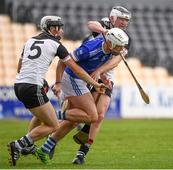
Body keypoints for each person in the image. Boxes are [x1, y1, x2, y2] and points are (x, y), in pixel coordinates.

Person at [7, 15, 105, 166]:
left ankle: (29, 145)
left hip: (19, 86)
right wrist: (94, 83)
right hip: (33, 87)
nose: (61, 31)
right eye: (57, 27)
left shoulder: (29, 41)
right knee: (53, 125)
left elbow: (20, 68)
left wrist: (42, 79)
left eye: (60, 27)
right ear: (50, 29)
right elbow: (76, 69)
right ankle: (19, 144)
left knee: (42, 118)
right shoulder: (56, 45)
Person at [35, 27, 129, 164]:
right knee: (92, 116)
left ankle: (44, 149)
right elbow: (63, 61)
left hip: (82, 81)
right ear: (111, 43)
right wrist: (58, 82)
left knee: (74, 120)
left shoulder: (112, 49)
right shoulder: (89, 49)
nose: (122, 49)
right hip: (73, 79)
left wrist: (101, 74)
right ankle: (52, 115)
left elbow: (112, 60)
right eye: (120, 46)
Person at [72, 5, 132, 164]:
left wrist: (101, 73)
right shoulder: (103, 25)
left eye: (127, 20)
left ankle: (82, 153)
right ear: (113, 18)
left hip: (104, 76)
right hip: (87, 71)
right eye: (122, 19)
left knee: (99, 115)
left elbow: (116, 60)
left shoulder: (126, 38)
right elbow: (90, 24)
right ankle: (51, 137)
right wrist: (105, 31)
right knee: (78, 114)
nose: (124, 23)